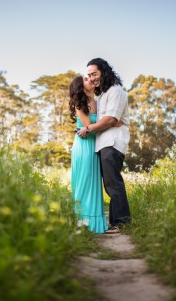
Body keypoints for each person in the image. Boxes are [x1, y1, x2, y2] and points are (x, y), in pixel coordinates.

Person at [77, 58, 131, 234]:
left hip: (112, 142)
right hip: (103, 143)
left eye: (94, 74)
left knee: (113, 183)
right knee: (109, 183)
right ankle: (115, 222)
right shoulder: (102, 95)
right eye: (89, 75)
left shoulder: (116, 91)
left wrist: (90, 128)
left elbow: (111, 119)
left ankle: (121, 222)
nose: (92, 78)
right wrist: (105, 121)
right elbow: (106, 120)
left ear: (104, 72)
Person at [69, 76, 108, 233]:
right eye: (86, 79)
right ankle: (82, 223)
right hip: (84, 146)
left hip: (95, 145)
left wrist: (111, 121)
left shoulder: (99, 102)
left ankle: (94, 223)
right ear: (81, 86)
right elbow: (89, 126)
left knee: (94, 183)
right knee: (84, 182)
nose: (90, 80)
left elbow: (105, 122)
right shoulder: (80, 104)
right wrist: (109, 122)